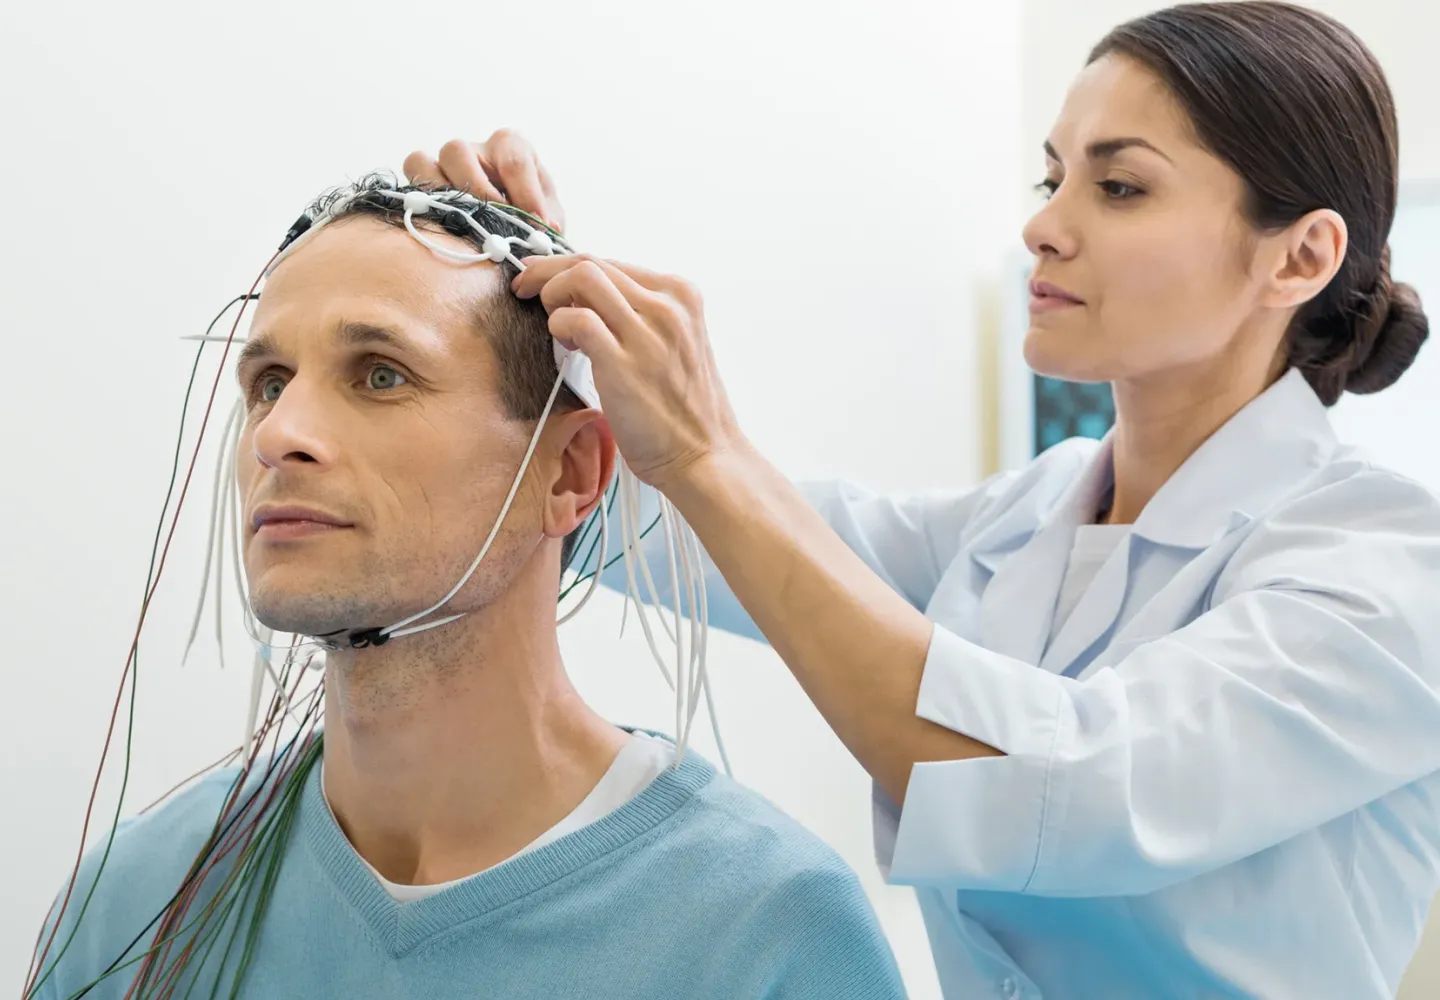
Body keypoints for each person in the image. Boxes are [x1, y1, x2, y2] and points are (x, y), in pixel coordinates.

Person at [414, 3, 1440, 998]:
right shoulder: (1026, 516)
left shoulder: (1383, 561)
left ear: (1300, 256)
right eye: (1052, 176)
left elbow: (1073, 785)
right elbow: (682, 536)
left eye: (1119, 187)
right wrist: (525, 339)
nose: (1043, 223)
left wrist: (702, 445)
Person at [27, 174, 907, 1000]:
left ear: (568, 472)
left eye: (380, 375)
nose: (279, 434)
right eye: (268, 383)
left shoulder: (767, 931)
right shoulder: (133, 903)